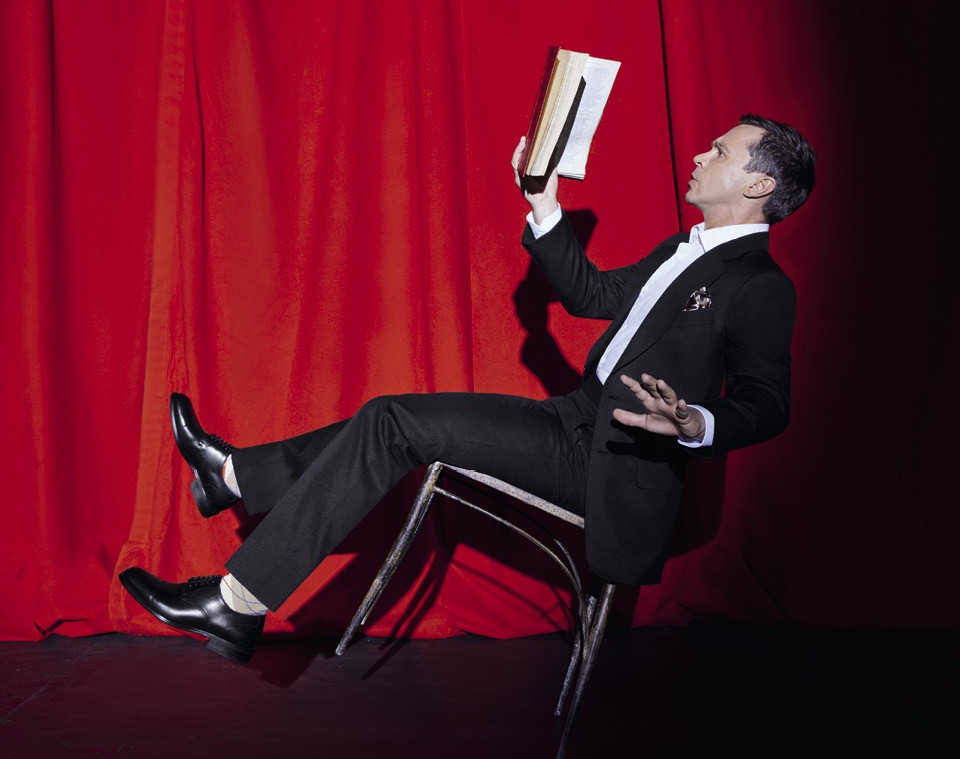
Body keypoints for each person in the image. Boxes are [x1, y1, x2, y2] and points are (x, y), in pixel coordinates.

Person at [120, 112, 816, 664]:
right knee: (389, 416)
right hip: (572, 419)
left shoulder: (761, 285)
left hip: (613, 465)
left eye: (720, 151)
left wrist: (694, 422)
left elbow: (768, 402)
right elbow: (592, 295)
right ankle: (235, 477)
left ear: (758, 185)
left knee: (393, 421)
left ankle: (236, 598)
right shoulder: (679, 248)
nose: (700, 155)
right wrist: (543, 202)